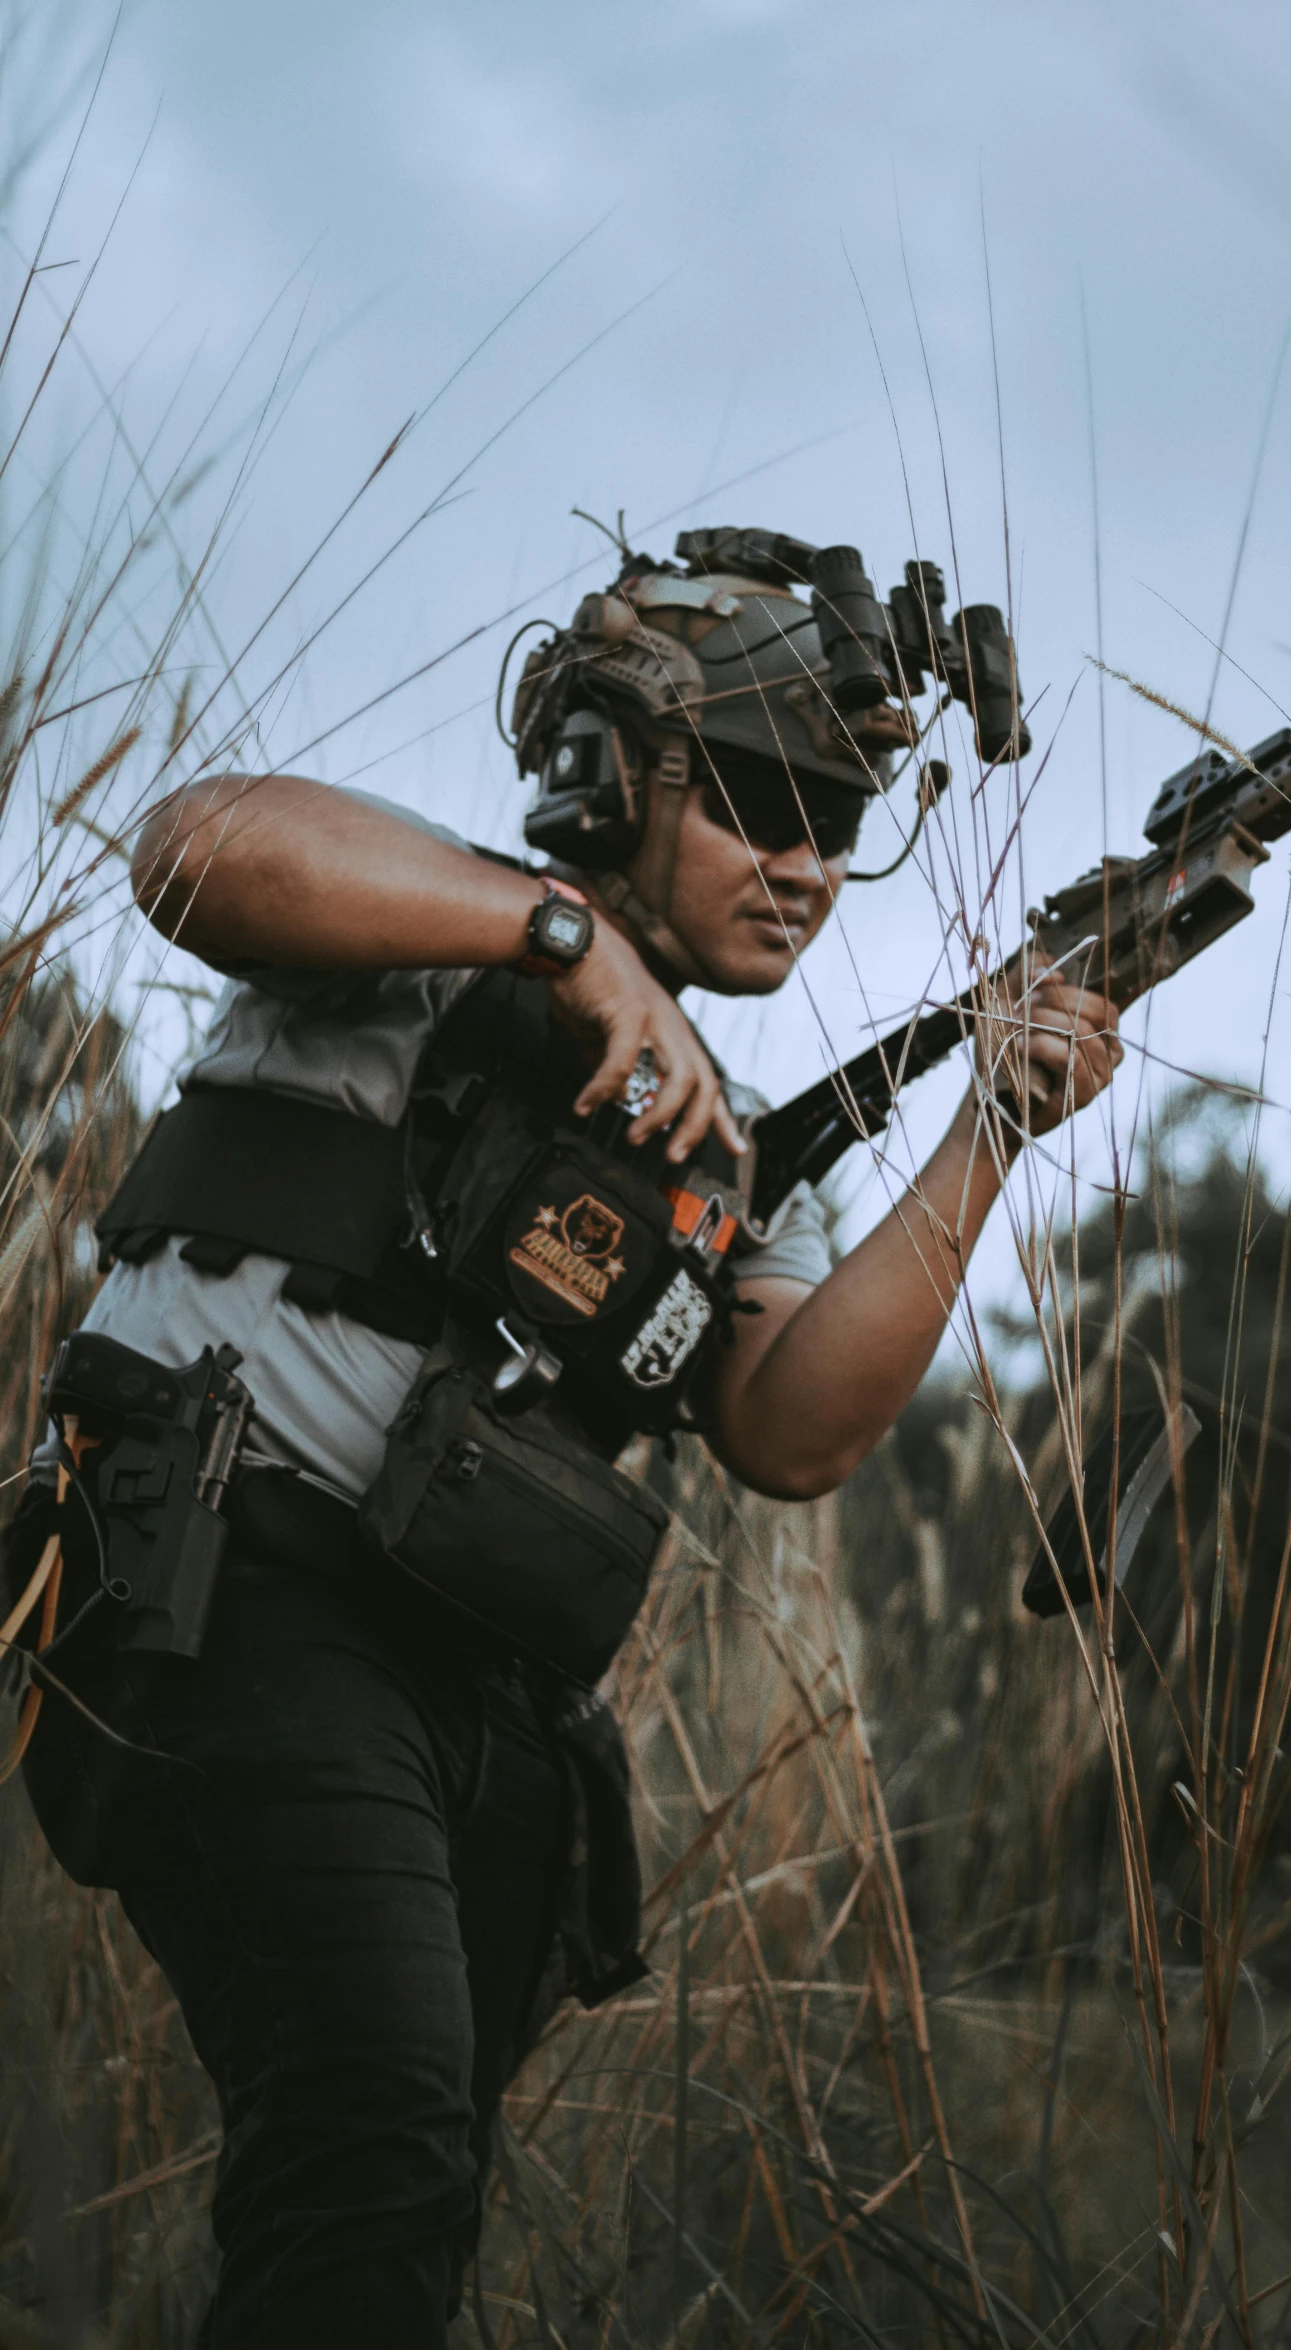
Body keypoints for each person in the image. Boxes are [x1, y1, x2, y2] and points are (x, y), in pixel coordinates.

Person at [15, 524, 1121, 2346]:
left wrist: (990, 1126)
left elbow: (789, 1430)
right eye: (764, 799)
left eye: (842, 824)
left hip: (459, 1688)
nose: (807, 868)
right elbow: (195, 844)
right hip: (225, 1598)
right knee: (368, 2141)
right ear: (607, 777)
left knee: (394, 2191)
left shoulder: (723, 1152)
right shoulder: (412, 928)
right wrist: (560, 946)